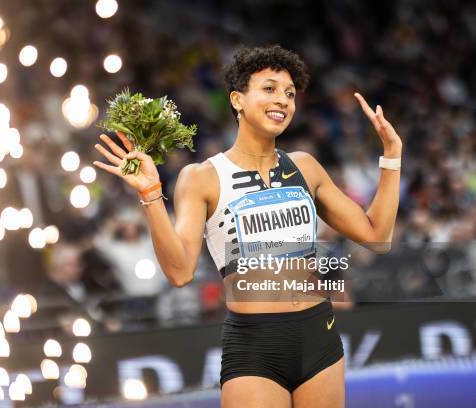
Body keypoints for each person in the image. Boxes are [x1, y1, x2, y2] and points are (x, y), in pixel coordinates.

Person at [93, 44, 402, 408]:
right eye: (269, 89)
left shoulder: (305, 166)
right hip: (254, 345)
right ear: (237, 99)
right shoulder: (202, 177)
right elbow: (179, 272)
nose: (283, 100)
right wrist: (151, 194)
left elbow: (377, 236)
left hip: (319, 334)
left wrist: (391, 157)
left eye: (289, 93)